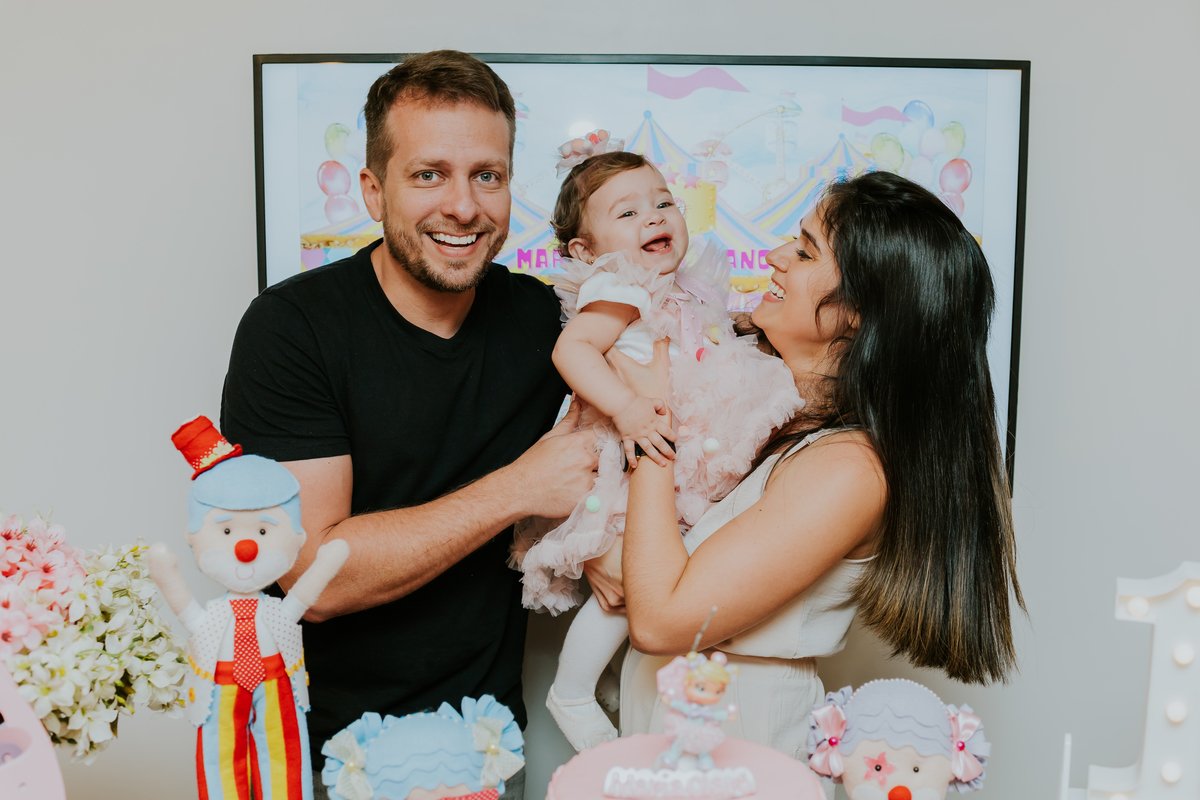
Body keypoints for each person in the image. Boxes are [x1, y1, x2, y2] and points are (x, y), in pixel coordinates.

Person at [220, 50, 599, 800]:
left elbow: (679, 360)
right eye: (429, 174)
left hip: (485, 750)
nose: (463, 206)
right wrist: (516, 489)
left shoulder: (543, 322)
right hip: (325, 755)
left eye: (486, 176)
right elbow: (310, 575)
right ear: (372, 189)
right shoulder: (293, 329)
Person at [596, 171, 1023, 763]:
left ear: (859, 313)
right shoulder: (759, 411)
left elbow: (663, 620)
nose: (773, 257)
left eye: (803, 251)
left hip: (741, 755)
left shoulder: (851, 469)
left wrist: (646, 423)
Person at [513, 147, 802, 751]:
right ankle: (571, 690)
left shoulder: (689, 285)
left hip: (678, 460)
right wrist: (626, 409)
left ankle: (617, 681)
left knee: (662, 579)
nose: (654, 217)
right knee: (628, 593)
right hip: (632, 457)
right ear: (584, 252)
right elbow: (573, 352)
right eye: (627, 212)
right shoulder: (622, 287)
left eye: (664, 201)